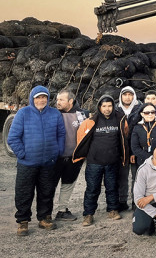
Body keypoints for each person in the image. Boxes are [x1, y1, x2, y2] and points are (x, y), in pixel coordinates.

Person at [8, 85, 65, 236]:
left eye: (44, 97)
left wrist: (57, 151)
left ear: (48, 98)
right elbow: (13, 138)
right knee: (24, 192)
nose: (41, 100)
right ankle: (23, 221)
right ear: (32, 99)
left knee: (46, 191)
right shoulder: (23, 113)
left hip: (48, 162)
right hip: (27, 163)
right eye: (38, 97)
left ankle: (44, 218)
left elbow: (61, 134)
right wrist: (23, 154)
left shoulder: (55, 114)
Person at [73, 95, 129, 226]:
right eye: (104, 106)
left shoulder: (120, 119)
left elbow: (125, 134)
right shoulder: (91, 121)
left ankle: (113, 210)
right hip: (94, 162)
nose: (107, 109)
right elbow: (81, 136)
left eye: (109, 106)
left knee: (112, 187)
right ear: (99, 107)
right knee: (92, 188)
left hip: (112, 161)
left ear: (113, 106)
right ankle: (88, 214)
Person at [53, 89, 89, 221]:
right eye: (57, 100)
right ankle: (45, 213)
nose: (58, 102)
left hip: (74, 158)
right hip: (56, 158)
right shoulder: (53, 114)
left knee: (68, 184)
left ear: (70, 101)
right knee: (50, 185)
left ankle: (62, 210)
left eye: (61, 100)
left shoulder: (82, 115)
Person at [116, 86, 142, 212]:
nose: (127, 97)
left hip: (135, 149)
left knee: (136, 177)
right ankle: (122, 201)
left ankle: (135, 201)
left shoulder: (139, 109)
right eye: (125, 94)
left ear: (134, 96)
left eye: (130, 94)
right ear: (121, 96)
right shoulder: (116, 109)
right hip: (120, 150)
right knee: (122, 176)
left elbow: (139, 133)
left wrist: (133, 151)